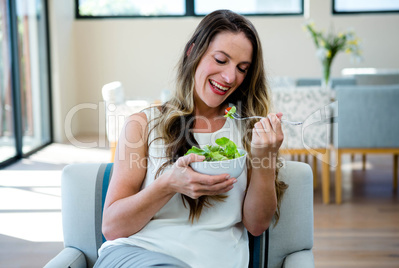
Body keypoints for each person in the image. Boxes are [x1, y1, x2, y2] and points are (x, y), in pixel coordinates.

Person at [95, 9, 287, 268]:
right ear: (192, 52)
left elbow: (256, 225)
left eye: (242, 68)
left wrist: (266, 158)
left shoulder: (250, 132)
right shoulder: (142, 125)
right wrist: (168, 185)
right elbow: (112, 227)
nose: (230, 78)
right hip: (137, 254)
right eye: (220, 60)